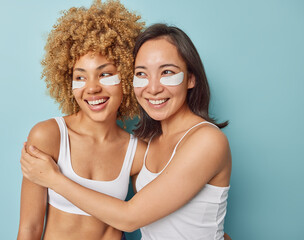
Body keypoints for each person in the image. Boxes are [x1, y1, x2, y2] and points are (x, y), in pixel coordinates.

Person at [21, 23, 232, 239]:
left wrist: (53, 179)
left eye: (167, 72)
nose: (153, 88)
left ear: (191, 78)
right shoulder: (150, 143)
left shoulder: (204, 141)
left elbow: (129, 218)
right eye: (142, 73)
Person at [17, 1, 146, 239]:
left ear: (127, 77)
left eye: (105, 74)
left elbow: (148, 216)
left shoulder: (138, 152)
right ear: (68, 83)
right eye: (80, 77)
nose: (92, 88)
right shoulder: (49, 136)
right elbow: (29, 229)